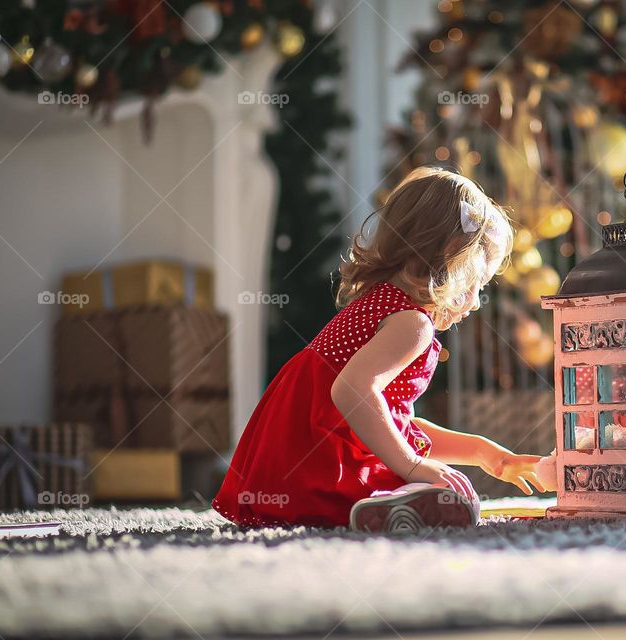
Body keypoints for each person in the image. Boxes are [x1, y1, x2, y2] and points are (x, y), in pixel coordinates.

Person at [212, 167, 550, 532]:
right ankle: (386, 502)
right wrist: (412, 465)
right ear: (447, 264)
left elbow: (390, 424)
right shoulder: (412, 324)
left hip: (286, 465)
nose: (475, 302)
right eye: (474, 285)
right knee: (443, 491)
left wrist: (484, 453)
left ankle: (389, 500)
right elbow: (351, 390)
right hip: (318, 462)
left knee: (433, 480)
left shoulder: (382, 303)